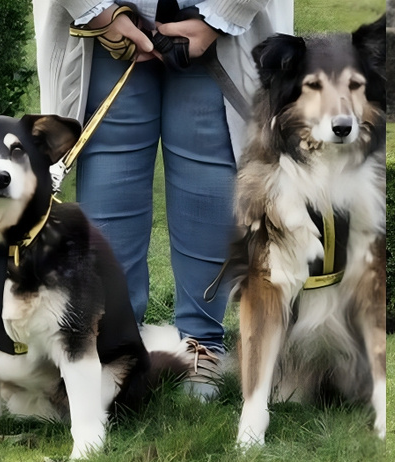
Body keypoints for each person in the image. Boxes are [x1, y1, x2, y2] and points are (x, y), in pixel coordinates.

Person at [32, 0, 293, 395]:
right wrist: (97, 11)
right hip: (103, 23)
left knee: (209, 164)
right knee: (109, 170)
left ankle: (203, 345)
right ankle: (114, 345)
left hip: (218, 21)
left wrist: (223, 13)